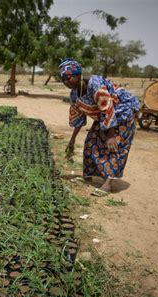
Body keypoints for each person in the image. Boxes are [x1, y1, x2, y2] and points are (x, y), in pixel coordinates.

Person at [58, 58, 140, 197]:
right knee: (91, 141)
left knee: (115, 146)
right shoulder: (74, 95)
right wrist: (72, 140)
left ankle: (107, 184)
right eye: (63, 79)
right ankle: (88, 176)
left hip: (123, 110)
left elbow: (108, 108)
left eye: (68, 78)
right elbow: (78, 119)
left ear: (78, 75)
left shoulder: (95, 85)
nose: (66, 82)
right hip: (105, 115)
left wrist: (111, 135)